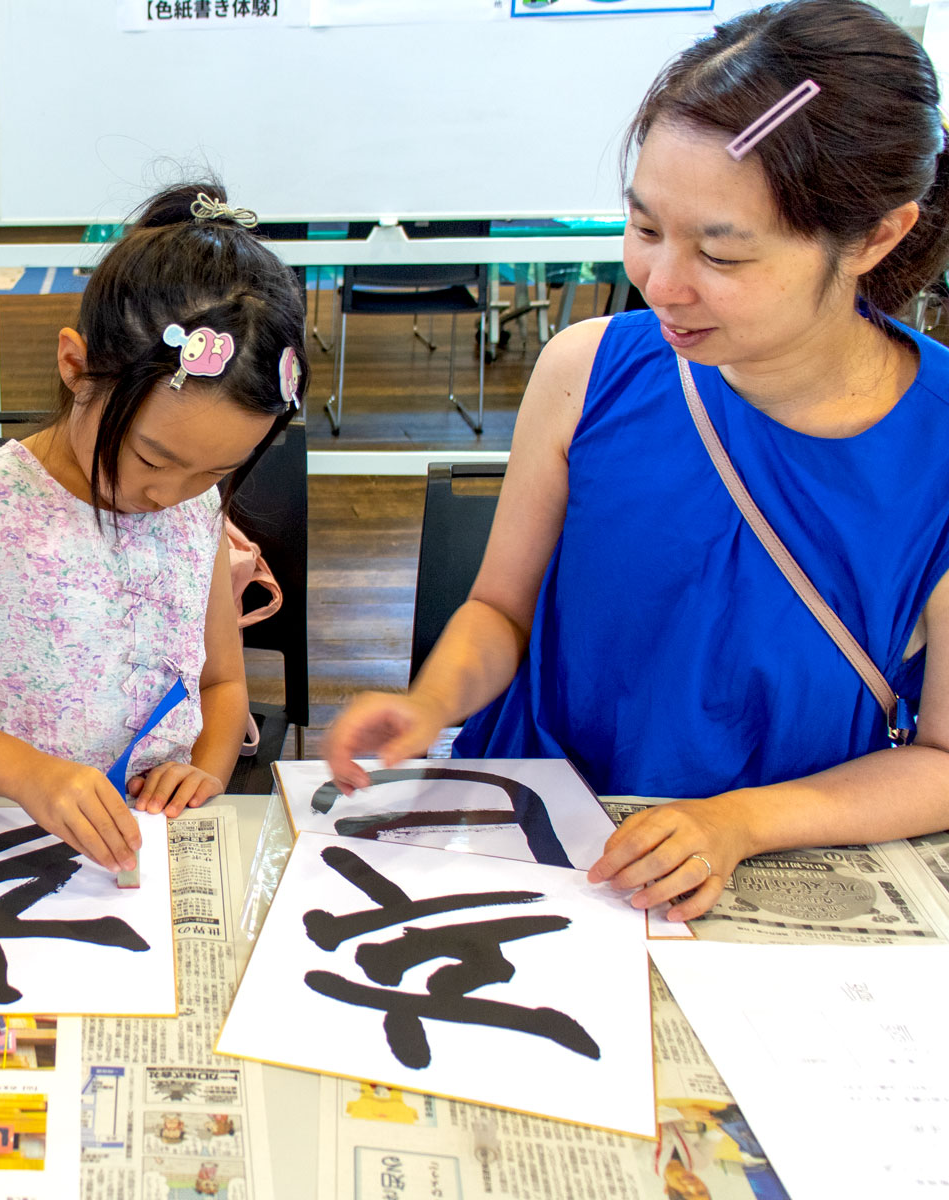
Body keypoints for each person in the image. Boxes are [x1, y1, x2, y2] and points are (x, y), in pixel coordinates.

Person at [324, 0, 949, 922]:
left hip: (757, 871)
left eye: (722, 253)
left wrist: (736, 822)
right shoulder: (588, 371)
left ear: (876, 237)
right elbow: (501, 610)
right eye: (647, 228)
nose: (661, 283)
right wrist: (431, 701)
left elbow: (939, 760)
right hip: (543, 848)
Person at [0, 183, 308, 871]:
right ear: (76, 367)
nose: (172, 495)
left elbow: (220, 686)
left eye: (214, 471)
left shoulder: (196, 512)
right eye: (154, 458)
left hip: (138, 852)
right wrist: (31, 775)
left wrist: (208, 771)